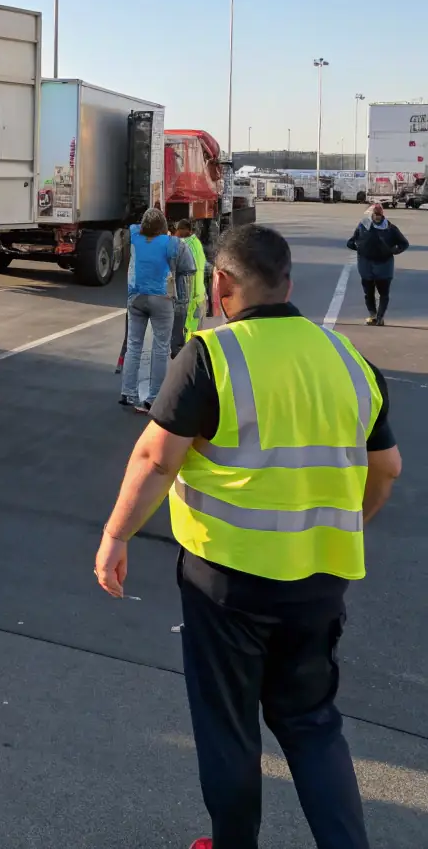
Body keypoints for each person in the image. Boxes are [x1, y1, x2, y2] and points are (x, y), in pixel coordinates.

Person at [94, 223, 402, 849]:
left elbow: (156, 460)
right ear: (289, 283)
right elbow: (387, 468)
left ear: (222, 283)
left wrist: (115, 535)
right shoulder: (349, 360)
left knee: (229, 727)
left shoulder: (212, 355)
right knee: (314, 725)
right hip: (320, 583)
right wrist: (348, 526)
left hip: (227, 585)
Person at [119, 208, 187, 412]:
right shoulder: (172, 243)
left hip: (136, 297)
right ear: (164, 227)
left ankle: (128, 392)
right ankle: (154, 396)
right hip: (162, 298)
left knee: (133, 344)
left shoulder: (135, 237)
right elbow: (187, 268)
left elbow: (136, 227)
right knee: (160, 347)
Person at [346, 203, 408, 326]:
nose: (377, 217)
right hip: (366, 265)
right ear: (372, 215)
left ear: (382, 215)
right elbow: (352, 241)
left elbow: (404, 243)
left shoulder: (390, 229)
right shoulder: (363, 226)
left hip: (384, 266)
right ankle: (373, 315)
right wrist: (358, 247)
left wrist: (394, 250)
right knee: (368, 292)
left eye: (379, 215)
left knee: (383, 293)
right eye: (375, 214)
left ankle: (380, 317)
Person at [172, 219, 207, 354]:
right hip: (200, 297)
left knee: (186, 338)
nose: (176, 233)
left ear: (183, 230)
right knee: (196, 336)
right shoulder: (197, 243)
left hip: (190, 300)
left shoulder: (183, 246)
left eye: (178, 230)